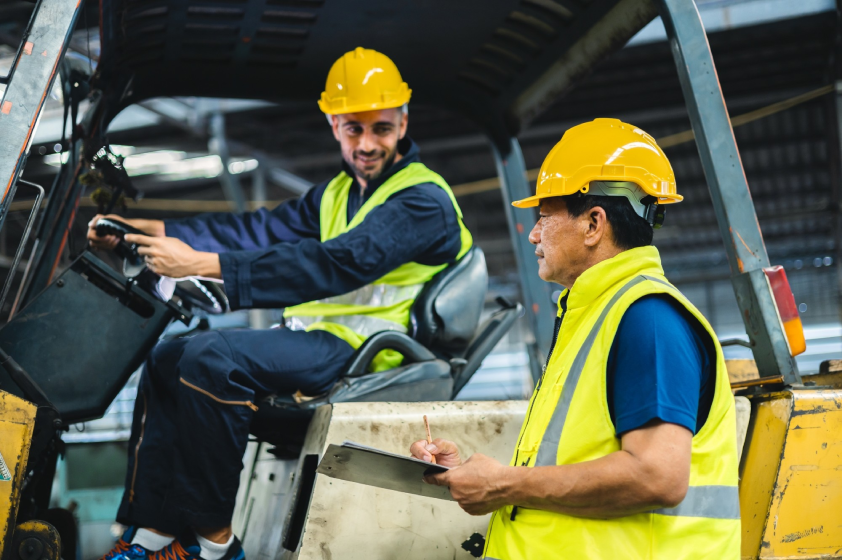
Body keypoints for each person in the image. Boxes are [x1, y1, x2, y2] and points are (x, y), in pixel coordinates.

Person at [88, 47, 472, 560]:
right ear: (334, 124)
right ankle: (153, 535)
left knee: (212, 358)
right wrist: (148, 233)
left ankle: (216, 544)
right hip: (319, 342)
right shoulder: (338, 194)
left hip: (370, 352)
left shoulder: (421, 200)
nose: (367, 143)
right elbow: (255, 228)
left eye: (381, 128)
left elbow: (333, 264)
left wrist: (200, 264)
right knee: (167, 356)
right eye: (353, 129)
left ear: (403, 122)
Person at [410, 119, 740, 559]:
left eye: (544, 216)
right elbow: (567, 467)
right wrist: (474, 476)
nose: (533, 233)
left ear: (593, 224)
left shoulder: (647, 318)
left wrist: (503, 484)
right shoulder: (594, 316)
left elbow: (657, 476)